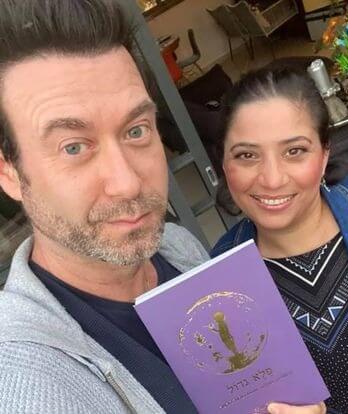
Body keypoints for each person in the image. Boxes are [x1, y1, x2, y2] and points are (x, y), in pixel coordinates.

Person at [0, 1, 212, 413]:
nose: (127, 183)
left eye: (136, 130)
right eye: (73, 147)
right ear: (9, 173)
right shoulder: (25, 386)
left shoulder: (177, 247)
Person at [211, 67, 348, 414]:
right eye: (247, 155)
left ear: (323, 155)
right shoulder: (214, 289)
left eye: (295, 151)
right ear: (223, 164)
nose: (272, 179)